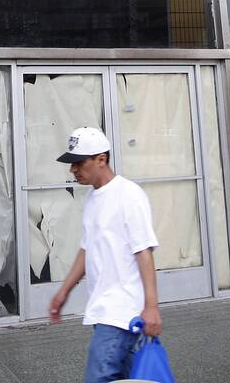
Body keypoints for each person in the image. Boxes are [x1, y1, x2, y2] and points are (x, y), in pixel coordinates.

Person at [49, 126, 161, 383]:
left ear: (101, 159)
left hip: (120, 312)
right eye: (71, 163)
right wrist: (63, 292)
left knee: (98, 378)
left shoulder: (129, 195)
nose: (73, 169)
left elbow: (144, 251)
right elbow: (87, 249)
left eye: (79, 162)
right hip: (106, 311)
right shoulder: (92, 198)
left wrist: (152, 307)